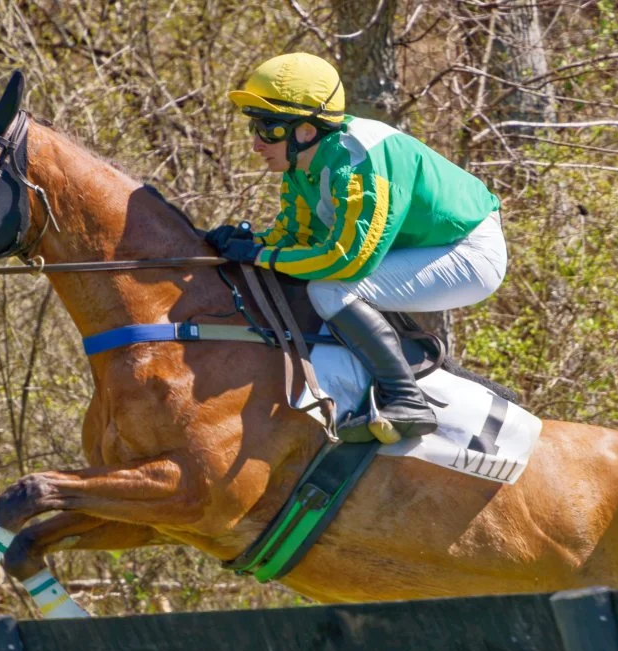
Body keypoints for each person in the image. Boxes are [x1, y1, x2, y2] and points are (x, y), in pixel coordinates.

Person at [206, 52, 506, 440]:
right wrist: (244, 243)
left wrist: (262, 255)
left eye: (267, 128)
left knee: (331, 286)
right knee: (303, 277)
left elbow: (349, 260)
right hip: (423, 248)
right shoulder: (301, 170)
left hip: (469, 252)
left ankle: (408, 401)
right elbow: (293, 239)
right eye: (255, 127)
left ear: (306, 131)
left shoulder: (360, 158)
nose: (255, 144)